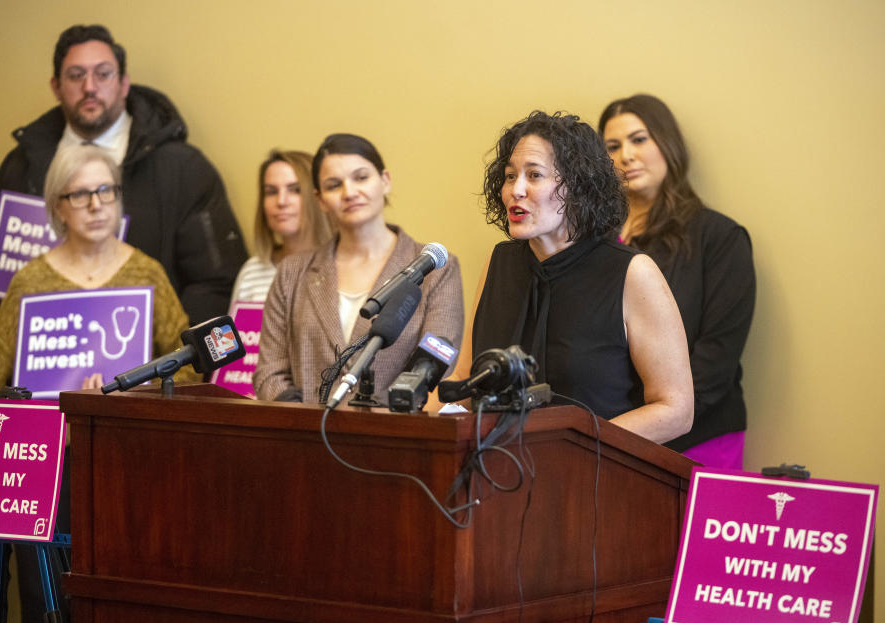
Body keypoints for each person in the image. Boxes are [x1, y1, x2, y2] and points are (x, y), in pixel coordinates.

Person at [0, 145, 198, 623]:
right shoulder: (29, 283)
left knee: (125, 605)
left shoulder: (148, 273)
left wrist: (132, 392)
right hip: (46, 474)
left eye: (107, 190)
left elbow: (188, 374)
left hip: (131, 471)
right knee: (44, 607)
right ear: (58, 207)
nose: (97, 204)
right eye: (82, 194)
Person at [0, 23, 246, 334]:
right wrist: (12, 325)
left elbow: (215, 283)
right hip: (44, 360)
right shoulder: (23, 166)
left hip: (150, 368)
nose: (89, 87)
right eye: (76, 75)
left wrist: (166, 358)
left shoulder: (183, 169)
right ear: (56, 86)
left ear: (124, 84)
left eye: (103, 73)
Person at [460, 111, 693, 445]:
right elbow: (466, 381)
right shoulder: (500, 262)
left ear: (577, 186)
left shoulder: (632, 272)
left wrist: (577, 446)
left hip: (593, 478)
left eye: (534, 175)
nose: (516, 190)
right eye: (510, 177)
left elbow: (675, 409)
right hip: (497, 474)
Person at [599, 94, 755, 466]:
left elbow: (717, 357)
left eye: (639, 139)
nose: (626, 156)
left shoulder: (719, 237)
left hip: (700, 436)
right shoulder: (595, 243)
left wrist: (656, 423)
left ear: (668, 144)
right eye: (612, 146)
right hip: (612, 439)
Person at [254, 133, 464, 404]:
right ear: (319, 199)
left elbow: (436, 365)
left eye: (361, 177)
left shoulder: (434, 268)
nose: (350, 192)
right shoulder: (292, 272)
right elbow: (270, 372)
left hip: (397, 436)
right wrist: (303, 423)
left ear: (385, 180)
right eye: (334, 185)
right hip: (307, 437)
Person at [229, 150, 333, 306]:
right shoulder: (252, 271)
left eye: (295, 190)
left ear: (317, 197)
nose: (281, 201)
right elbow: (237, 331)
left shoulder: (341, 266)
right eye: (271, 192)